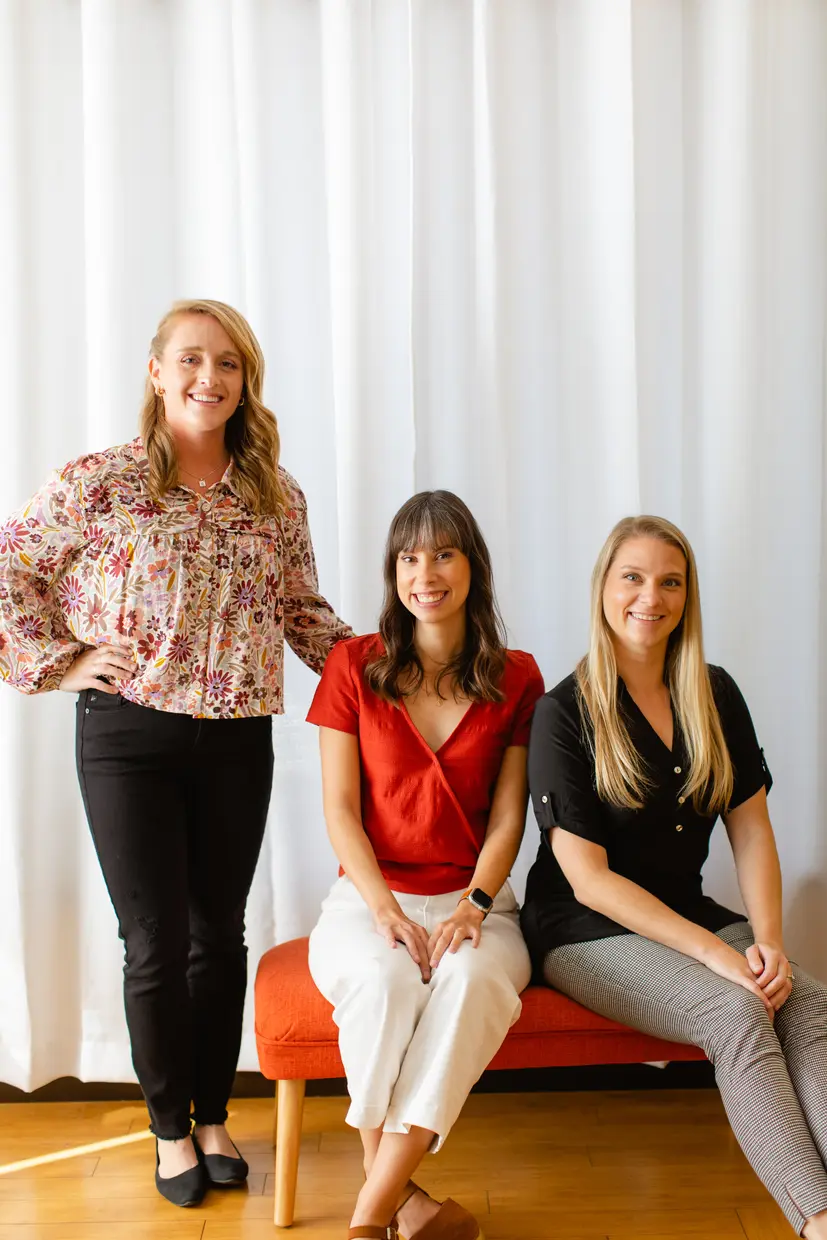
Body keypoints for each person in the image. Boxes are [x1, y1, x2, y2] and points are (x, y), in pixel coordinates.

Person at [0, 299, 352, 1207]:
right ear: (156, 372)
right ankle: (167, 1133)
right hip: (128, 740)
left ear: (247, 381)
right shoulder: (99, 483)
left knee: (217, 936)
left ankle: (211, 1115)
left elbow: (301, 613)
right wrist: (64, 661)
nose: (210, 378)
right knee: (152, 941)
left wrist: (399, 666)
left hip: (237, 737)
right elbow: (12, 567)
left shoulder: (274, 496)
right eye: (192, 360)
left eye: (228, 364)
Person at [521, 514, 827, 1239]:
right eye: (631, 577)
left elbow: (749, 828)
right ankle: (816, 1220)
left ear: (686, 596)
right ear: (603, 587)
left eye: (668, 581)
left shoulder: (714, 693)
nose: (648, 597)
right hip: (581, 930)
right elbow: (588, 881)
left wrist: (770, 944)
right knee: (736, 1010)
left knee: (807, 1004)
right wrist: (720, 955)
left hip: (684, 911)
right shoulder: (561, 712)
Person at [306, 490, 543, 1240]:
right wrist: (384, 912)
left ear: (471, 565)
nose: (425, 573)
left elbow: (508, 818)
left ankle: (366, 1220)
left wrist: (474, 902)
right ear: (392, 571)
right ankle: (403, 1207)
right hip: (369, 901)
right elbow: (340, 811)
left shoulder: (517, 676)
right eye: (409, 557)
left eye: (443, 553)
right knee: (380, 982)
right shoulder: (351, 666)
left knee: (473, 979)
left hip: (477, 903)